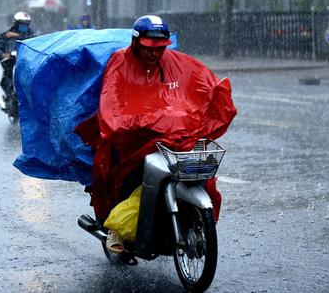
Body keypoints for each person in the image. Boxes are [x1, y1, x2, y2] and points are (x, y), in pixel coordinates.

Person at [74, 15, 237, 253]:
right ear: (136, 42)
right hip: (132, 138)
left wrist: (216, 96)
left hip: (168, 136)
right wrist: (139, 120)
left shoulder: (176, 61)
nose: (155, 54)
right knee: (128, 176)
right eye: (150, 49)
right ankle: (114, 229)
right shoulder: (120, 62)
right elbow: (112, 102)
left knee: (195, 170)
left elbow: (202, 84)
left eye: (160, 48)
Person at [0, 12, 34, 99]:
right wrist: (3, 54)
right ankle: (8, 97)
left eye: (26, 24)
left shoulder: (32, 36)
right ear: (16, 23)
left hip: (27, 63)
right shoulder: (6, 35)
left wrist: (17, 35)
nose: (24, 26)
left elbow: (34, 42)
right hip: (11, 62)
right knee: (6, 79)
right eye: (22, 24)